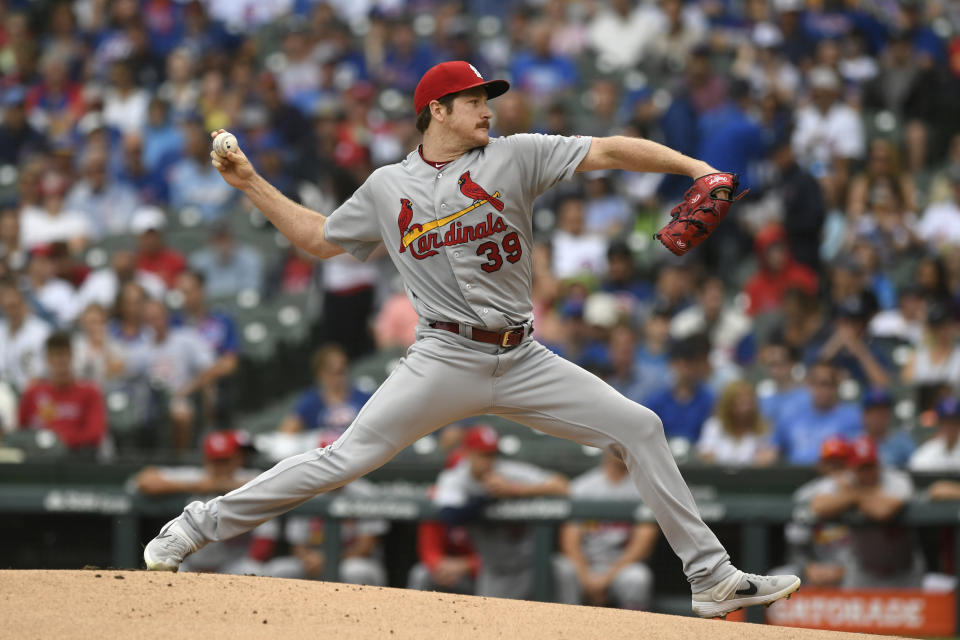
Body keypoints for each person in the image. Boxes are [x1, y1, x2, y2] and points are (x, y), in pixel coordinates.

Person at [144, 60, 800, 618]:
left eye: (489, 99)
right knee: (342, 459)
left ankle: (711, 579)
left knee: (640, 427)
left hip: (523, 357)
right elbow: (320, 241)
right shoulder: (386, 187)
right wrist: (252, 183)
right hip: (444, 355)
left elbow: (607, 149)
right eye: (475, 100)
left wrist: (696, 168)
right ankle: (196, 526)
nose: (487, 109)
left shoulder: (514, 156)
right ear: (437, 110)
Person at [433, 425, 569, 600]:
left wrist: (515, 490)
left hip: (533, 564)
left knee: (565, 572)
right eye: (483, 454)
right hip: (495, 570)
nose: (489, 460)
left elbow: (562, 486)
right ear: (467, 453)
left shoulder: (508, 472)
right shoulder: (456, 478)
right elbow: (449, 515)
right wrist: (486, 499)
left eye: (492, 454)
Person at [134, 430, 262, 574]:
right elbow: (144, 481)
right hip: (190, 564)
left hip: (233, 564)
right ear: (206, 460)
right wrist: (193, 485)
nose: (221, 467)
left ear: (237, 459)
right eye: (216, 460)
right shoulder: (197, 477)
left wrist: (220, 486)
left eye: (225, 460)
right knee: (162, 573)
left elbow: (265, 488)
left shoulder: (248, 477)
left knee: (253, 570)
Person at [806, 437, 924, 588]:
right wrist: (861, 496)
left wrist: (853, 496)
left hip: (904, 571)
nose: (867, 473)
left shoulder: (897, 480)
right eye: (861, 468)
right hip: (863, 571)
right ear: (852, 469)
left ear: (878, 465)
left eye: (870, 466)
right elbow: (819, 506)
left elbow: (883, 511)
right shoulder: (846, 479)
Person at [555, 452, 659, 610]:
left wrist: (605, 580)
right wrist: (586, 578)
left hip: (621, 567)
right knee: (563, 568)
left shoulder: (646, 489)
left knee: (638, 577)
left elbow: (643, 544)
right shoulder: (582, 486)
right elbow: (570, 543)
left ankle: (632, 632)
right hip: (586, 565)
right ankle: (567, 628)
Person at [18, 332, 106, 452]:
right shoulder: (33, 393)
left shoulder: (90, 392)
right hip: (39, 459)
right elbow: (21, 430)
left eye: (63, 355)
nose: (59, 361)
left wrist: (57, 441)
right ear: (47, 359)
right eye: (54, 356)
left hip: (76, 458)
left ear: (71, 357)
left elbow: (94, 434)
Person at [768, 360, 862, 465]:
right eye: (815, 384)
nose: (820, 390)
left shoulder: (853, 417)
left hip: (834, 476)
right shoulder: (791, 418)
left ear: (836, 386)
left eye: (826, 384)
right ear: (808, 385)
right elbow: (772, 451)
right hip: (795, 477)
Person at [278, 344, 371, 439]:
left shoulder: (364, 398)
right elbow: (286, 433)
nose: (338, 377)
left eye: (341, 370)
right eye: (332, 371)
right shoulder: (310, 402)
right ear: (320, 374)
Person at [696, 380, 770, 467]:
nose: (745, 409)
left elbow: (765, 458)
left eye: (749, 404)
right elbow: (705, 455)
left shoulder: (762, 428)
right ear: (728, 405)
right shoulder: (714, 426)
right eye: (740, 404)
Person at [0, 278, 52, 392]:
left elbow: (45, 372)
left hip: (32, 393)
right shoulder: (1, 330)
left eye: (14, 305)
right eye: (7, 307)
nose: (11, 311)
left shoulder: (42, 332)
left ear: (22, 303)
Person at [860, 388, 915, 468]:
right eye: (875, 411)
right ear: (865, 414)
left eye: (884, 410)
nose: (881, 415)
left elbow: (917, 467)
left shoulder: (903, 441)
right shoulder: (854, 442)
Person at [909, 396, 960, 473]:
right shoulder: (928, 450)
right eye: (945, 422)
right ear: (939, 423)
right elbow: (915, 466)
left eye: (954, 422)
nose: (950, 427)